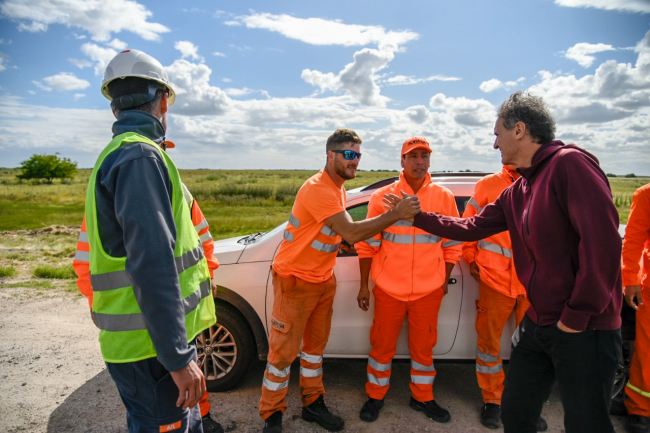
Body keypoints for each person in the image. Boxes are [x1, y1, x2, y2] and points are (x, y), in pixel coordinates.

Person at [393, 91, 622, 433]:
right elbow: (471, 226)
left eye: (497, 134)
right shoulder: (518, 191)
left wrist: (575, 318)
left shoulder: (569, 164)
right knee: (515, 414)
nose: (495, 145)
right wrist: (418, 217)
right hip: (539, 323)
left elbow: (602, 246)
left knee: (586, 423)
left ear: (519, 130)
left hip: (583, 328)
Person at [83, 49, 216, 432]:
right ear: (162, 101)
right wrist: (177, 358)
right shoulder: (140, 158)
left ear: (114, 109)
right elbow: (152, 265)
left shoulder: (119, 154)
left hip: (146, 344)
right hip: (151, 350)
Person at [259, 129, 421, 433]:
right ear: (330, 155)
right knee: (282, 355)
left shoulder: (338, 188)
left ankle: (312, 404)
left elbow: (332, 232)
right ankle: (271, 414)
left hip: (322, 280)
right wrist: (396, 214)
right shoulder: (319, 188)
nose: (355, 160)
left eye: (358, 155)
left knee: (314, 351)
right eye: (348, 154)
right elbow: (352, 232)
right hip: (295, 282)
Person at [73, 184, 223, 433]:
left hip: (180, 320)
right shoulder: (118, 187)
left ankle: (200, 415)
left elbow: (201, 236)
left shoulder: (178, 189)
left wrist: (209, 273)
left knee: (187, 387)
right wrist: (95, 300)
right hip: (138, 338)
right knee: (160, 414)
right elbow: (88, 258)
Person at [355, 137, 462, 424]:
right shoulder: (383, 197)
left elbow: (453, 244)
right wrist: (365, 285)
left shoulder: (443, 197)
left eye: (424, 156)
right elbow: (367, 245)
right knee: (381, 347)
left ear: (429, 160)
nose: (419, 161)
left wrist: (443, 281)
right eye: (412, 156)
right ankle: (375, 396)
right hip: (388, 287)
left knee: (424, 348)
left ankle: (423, 397)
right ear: (402, 161)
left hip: (429, 290)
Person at [461, 165, 546, 431]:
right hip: (493, 280)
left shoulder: (545, 181)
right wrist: (471, 258)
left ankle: (526, 405)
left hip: (533, 284)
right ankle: (493, 402)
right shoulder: (488, 185)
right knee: (489, 346)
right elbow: (469, 225)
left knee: (534, 349)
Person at [621, 183, 650, 433]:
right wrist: (630, 280)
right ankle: (640, 409)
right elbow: (633, 239)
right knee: (646, 351)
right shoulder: (646, 194)